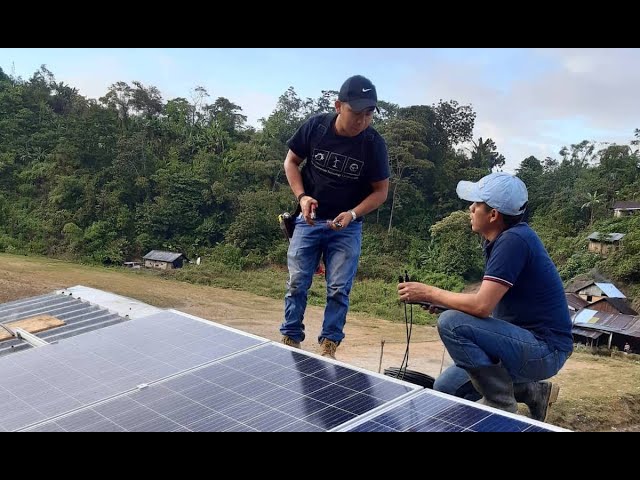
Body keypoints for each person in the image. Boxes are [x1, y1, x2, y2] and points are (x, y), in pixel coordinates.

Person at [397, 172, 573, 422]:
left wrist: (429, 292)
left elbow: (481, 306)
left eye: (477, 204)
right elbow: (485, 297)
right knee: (445, 388)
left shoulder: (513, 241)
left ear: (493, 215)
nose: (470, 208)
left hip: (544, 349)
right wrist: (441, 301)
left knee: (451, 323)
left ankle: (500, 402)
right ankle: (532, 391)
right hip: (519, 343)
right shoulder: (505, 239)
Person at [280, 75, 389, 359]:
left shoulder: (373, 144)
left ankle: (329, 344)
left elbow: (381, 192)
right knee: (297, 282)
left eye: (369, 114)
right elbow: (291, 161)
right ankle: (290, 337)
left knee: (339, 288)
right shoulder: (316, 127)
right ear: (339, 106)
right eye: (356, 113)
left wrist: (353, 213)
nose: (362, 121)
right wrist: (302, 197)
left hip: (346, 228)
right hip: (309, 220)